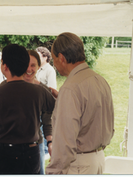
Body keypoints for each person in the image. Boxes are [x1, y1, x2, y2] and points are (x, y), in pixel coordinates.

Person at [0, 44, 55, 175]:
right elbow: (59, 108)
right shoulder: (40, 91)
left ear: (4, 66)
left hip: (6, 154)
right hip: (32, 153)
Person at [46, 32, 114, 174]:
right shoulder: (100, 80)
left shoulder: (71, 88)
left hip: (78, 163)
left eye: (54, 59)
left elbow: (65, 142)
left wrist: (54, 171)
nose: (54, 64)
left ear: (62, 58)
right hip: (98, 158)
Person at [36, 46, 57, 159]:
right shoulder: (37, 69)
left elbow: (51, 89)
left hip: (44, 107)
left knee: (45, 130)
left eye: (39, 56)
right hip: (36, 106)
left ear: (45, 57)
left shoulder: (50, 70)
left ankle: (45, 153)